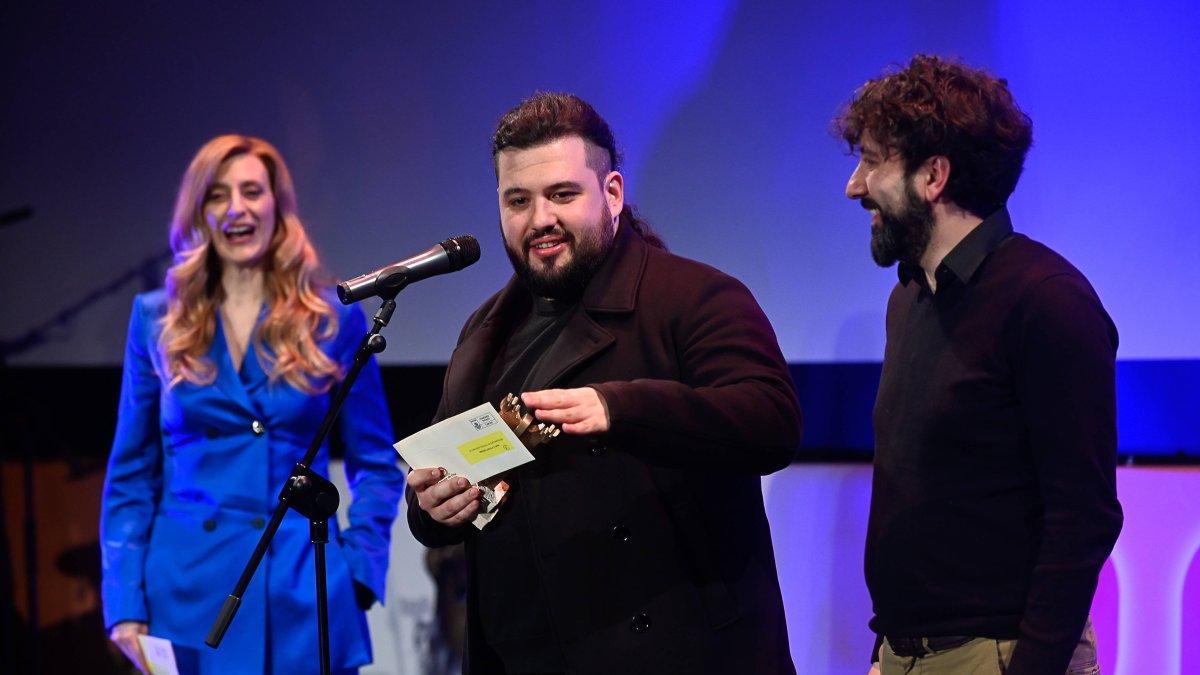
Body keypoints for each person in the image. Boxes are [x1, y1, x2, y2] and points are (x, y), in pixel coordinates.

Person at [406, 92, 802, 675]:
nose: (540, 219)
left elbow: (771, 422)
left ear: (611, 193)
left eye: (562, 194)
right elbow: (449, 468)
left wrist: (618, 408)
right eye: (518, 200)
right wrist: (431, 509)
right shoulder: (483, 330)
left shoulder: (696, 297)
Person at [835, 55, 1122, 675]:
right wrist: (891, 650)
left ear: (934, 175)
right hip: (907, 654)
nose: (855, 186)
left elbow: (1083, 515)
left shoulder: (1047, 301)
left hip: (1002, 657)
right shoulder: (909, 297)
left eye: (872, 160)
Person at [100, 134, 405, 674]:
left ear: (277, 206)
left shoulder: (334, 318)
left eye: (251, 192)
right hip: (187, 593)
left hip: (301, 590)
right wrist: (124, 603)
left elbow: (376, 464)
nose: (236, 209)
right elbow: (131, 474)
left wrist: (356, 569)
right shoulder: (155, 319)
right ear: (199, 211)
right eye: (218, 195)